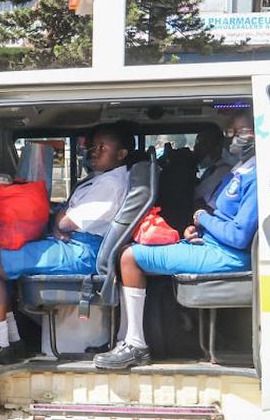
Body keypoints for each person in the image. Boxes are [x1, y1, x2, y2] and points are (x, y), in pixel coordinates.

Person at [93, 111, 257, 370]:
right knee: (127, 250)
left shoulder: (258, 177)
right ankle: (124, 339)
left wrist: (202, 218)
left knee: (130, 257)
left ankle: (135, 345)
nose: (236, 139)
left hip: (227, 255)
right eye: (231, 133)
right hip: (210, 243)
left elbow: (238, 236)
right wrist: (198, 230)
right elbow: (225, 219)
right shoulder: (240, 171)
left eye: (244, 132)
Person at [0, 122, 135, 365]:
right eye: (93, 146)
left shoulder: (111, 184)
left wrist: (57, 221)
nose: (94, 151)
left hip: (82, 252)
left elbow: (66, 221)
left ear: (121, 154)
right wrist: (57, 220)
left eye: (102, 147)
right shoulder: (101, 179)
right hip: (75, 244)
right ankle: (13, 341)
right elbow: (62, 216)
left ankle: (0, 344)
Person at [193, 124, 236, 211]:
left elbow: (196, 194)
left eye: (202, 145)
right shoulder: (211, 169)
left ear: (217, 148)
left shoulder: (223, 171)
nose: (197, 150)